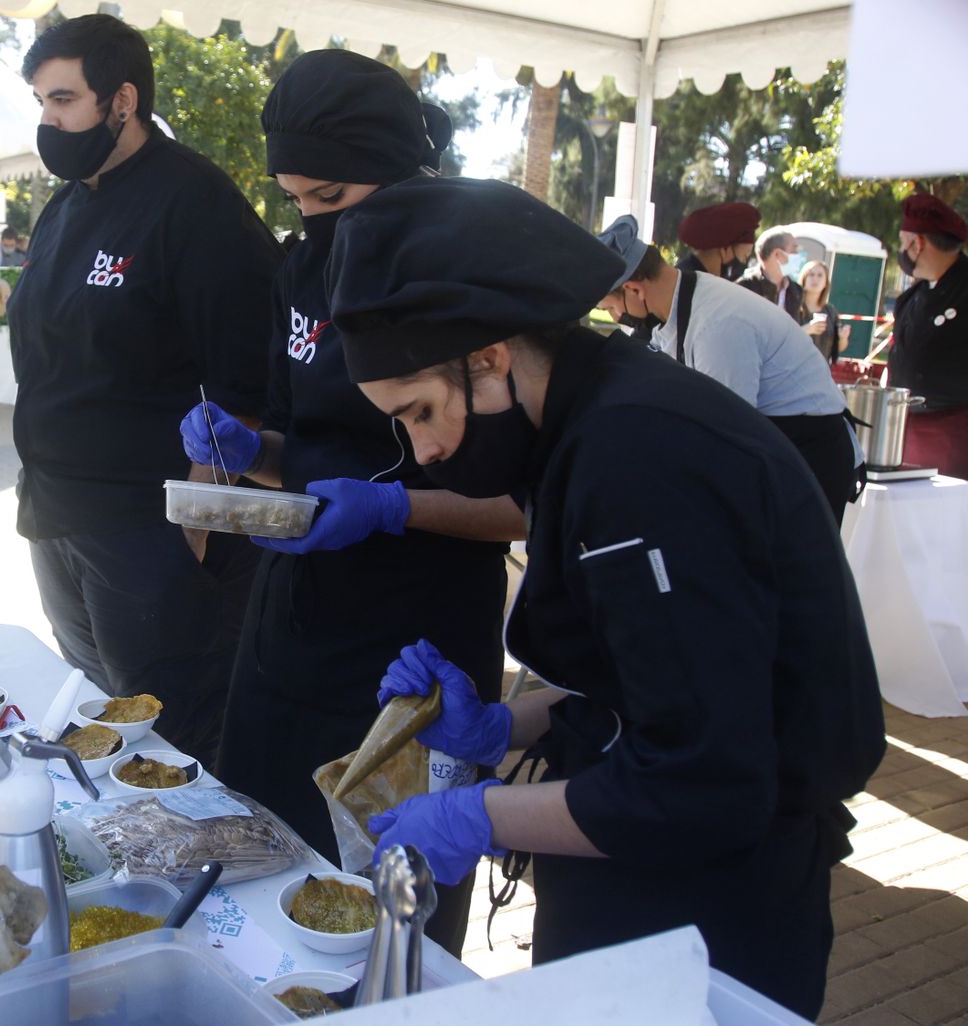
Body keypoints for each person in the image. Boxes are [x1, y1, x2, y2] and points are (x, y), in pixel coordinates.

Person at [325, 174, 885, 1020]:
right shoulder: (580, 421)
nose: (424, 452)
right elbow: (654, 679)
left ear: (489, 358)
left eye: (422, 412)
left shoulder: (643, 460)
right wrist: (505, 725)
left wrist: (480, 814)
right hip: (628, 845)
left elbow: (698, 783)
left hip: (713, 898)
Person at [179, 49, 517, 956]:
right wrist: (251, 455)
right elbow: (301, 444)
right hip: (296, 622)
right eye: (295, 201)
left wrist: (398, 508)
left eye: (330, 198)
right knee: (259, 854)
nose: (314, 224)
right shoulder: (301, 272)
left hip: (420, 642)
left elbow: (530, 504)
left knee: (392, 908)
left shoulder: (473, 277)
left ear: (398, 172)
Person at [9, 14, 282, 766]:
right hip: (58, 518)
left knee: (171, 747)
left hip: (148, 533)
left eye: (63, 100)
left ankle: (206, 881)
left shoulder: (193, 201)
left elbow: (246, 379)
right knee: (100, 731)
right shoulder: (64, 207)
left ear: (122, 100)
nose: (48, 120)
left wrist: (193, 531)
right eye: (40, 101)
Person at [597, 215, 862, 523]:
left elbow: (728, 438)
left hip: (807, 453)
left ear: (634, 289)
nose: (616, 318)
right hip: (770, 441)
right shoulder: (683, 302)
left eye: (610, 307)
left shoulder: (718, 324)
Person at [887, 192, 968, 478]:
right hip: (906, 430)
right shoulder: (911, 297)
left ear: (917, 243)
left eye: (901, 242)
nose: (901, 250)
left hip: (956, 434)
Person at [675, 201, 759, 280]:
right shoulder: (689, 283)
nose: (744, 263)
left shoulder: (686, 275)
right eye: (744, 257)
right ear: (724, 250)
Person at [737, 226, 807, 319]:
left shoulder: (796, 291)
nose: (798, 255)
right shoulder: (744, 288)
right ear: (777, 254)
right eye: (794, 250)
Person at [798, 259, 850, 363]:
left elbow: (838, 348)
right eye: (811, 275)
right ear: (803, 279)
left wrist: (843, 338)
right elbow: (783, 339)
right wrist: (807, 329)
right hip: (794, 371)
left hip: (821, 372)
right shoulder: (793, 307)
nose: (815, 279)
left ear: (826, 283)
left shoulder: (830, 311)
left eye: (820, 275)